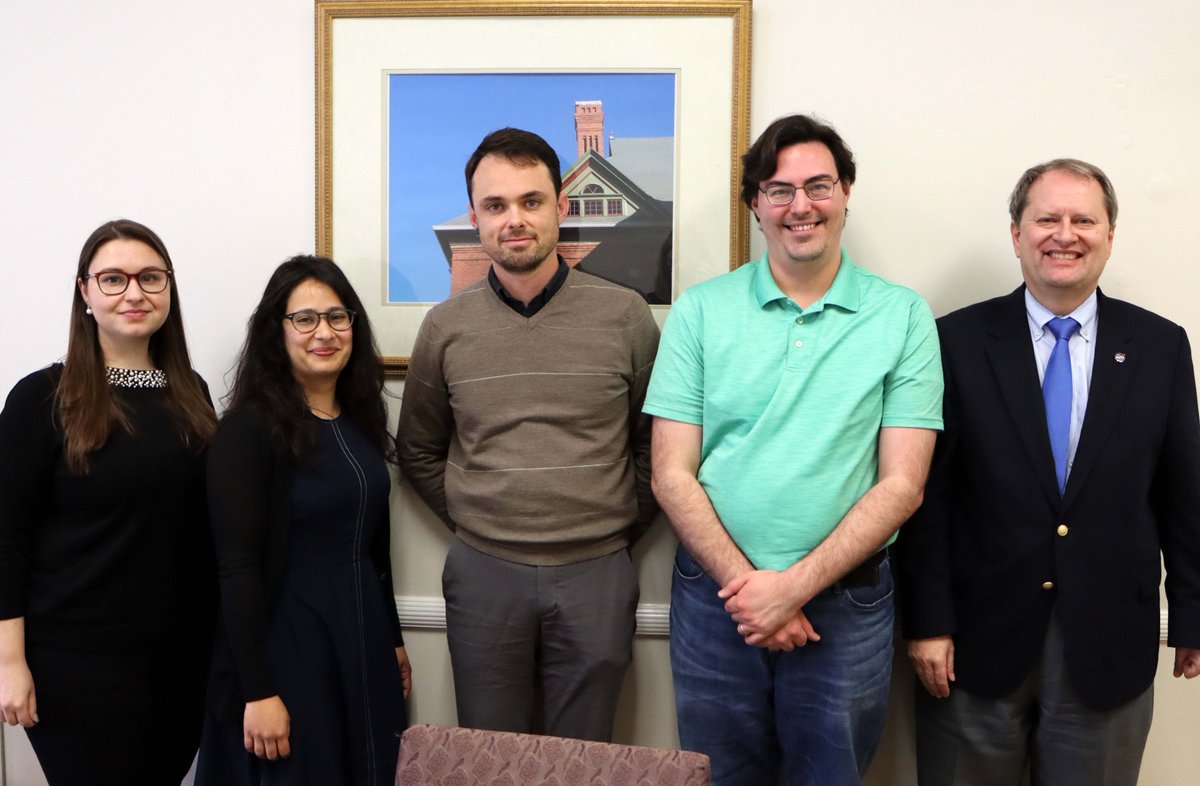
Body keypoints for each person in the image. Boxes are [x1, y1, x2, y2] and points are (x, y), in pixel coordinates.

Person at [644, 113, 943, 785]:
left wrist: (792, 589)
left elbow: (903, 485)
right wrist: (751, 593)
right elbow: (670, 473)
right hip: (717, 603)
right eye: (778, 189)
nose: (799, 205)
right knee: (720, 777)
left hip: (846, 606)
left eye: (818, 185)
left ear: (845, 193)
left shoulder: (902, 316)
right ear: (755, 204)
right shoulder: (700, 311)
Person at [894, 159, 1200, 785]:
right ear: (1016, 234)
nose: (1066, 234)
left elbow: (1184, 493)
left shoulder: (1161, 347)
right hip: (973, 642)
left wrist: (1193, 612)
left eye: (1084, 219)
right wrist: (927, 622)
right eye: (1047, 219)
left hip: (1109, 638)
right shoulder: (953, 341)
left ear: (1109, 235)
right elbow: (927, 498)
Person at [397, 127, 659, 742]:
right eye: (496, 205)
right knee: (489, 758)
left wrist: (614, 524)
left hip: (597, 571)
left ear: (560, 207)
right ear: (475, 217)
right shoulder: (445, 326)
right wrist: (478, 516)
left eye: (531, 201)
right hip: (485, 571)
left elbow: (656, 447)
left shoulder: (625, 316)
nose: (514, 219)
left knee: (583, 759)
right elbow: (418, 448)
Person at [0, 219, 217, 785]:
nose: (134, 293)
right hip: (76, 663)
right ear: (85, 292)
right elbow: (6, 536)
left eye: (150, 277)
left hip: (182, 660)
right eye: (113, 279)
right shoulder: (42, 397)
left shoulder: (191, 393)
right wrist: (8, 662)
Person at [196, 256, 409, 786]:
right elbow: (236, 569)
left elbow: (375, 545)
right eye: (305, 319)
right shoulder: (247, 431)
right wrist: (258, 690)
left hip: (362, 640)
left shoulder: (359, 421)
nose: (325, 333)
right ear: (277, 332)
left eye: (338, 317)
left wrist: (396, 639)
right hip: (288, 650)